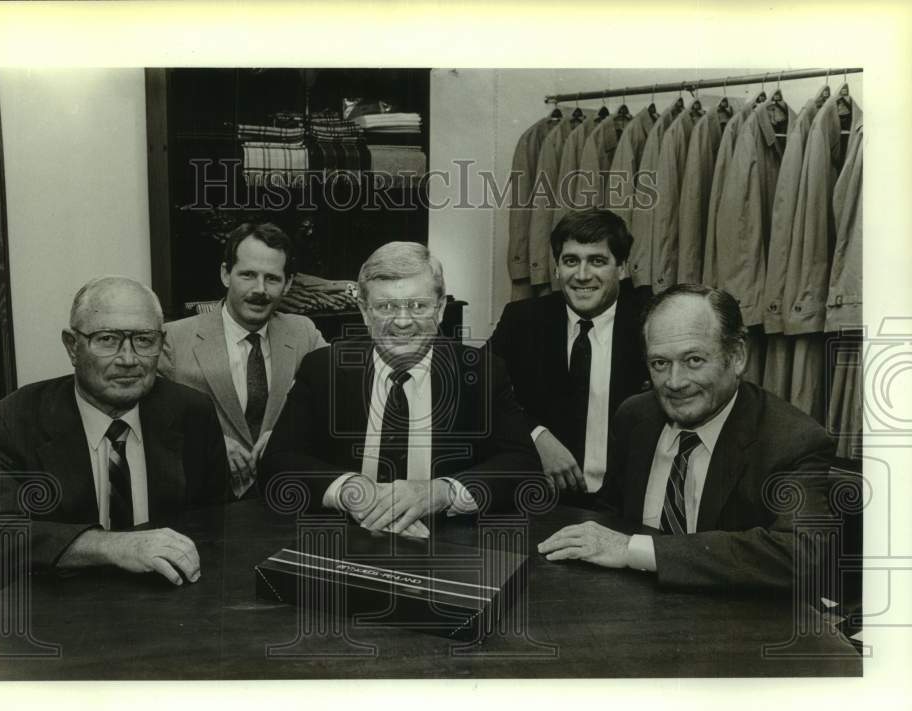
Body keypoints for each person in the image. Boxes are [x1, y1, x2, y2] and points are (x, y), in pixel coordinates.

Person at [538, 284, 835, 590]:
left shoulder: (791, 440)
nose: (675, 382)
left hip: (734, 620)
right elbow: (613, 516)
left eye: (693, 360)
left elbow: (802, 555)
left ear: (737, 356)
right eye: (660, 364)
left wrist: (637, 551)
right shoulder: (635, 417)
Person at [260, 241, 540, 536]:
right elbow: (278, 463)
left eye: (418, 306)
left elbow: (522, 467)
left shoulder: (481, 371)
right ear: (365, 312)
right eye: (385, 307)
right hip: (346, 541)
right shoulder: (324, 369)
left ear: (441, 308)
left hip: (446, 548)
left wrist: (441, 493)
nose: (403, 322)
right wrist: (348, 489)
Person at [0, 277, 229, 587]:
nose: (128, 359)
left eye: (144, 340)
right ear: (72, 346)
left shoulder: (192, 412)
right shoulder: (10, 422)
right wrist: (112, 546)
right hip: (60, 610)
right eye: (107, 339)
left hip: (168, 604)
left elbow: (219, 527)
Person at [489, 208, 648, 504]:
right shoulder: (522, 320)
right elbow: (478, 395)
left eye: (597, 261)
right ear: (557, 268)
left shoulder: (650, 324)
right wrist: (536, 435)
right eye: (571, 261)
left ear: (623, 268)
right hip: (539, 501)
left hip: (628, 505)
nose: (582, 275)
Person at [160, 221, 326, 497]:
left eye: (272, 278)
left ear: (289, 284)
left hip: (283, 499)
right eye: (248, 275)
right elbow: (149, 417)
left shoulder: (303, 333)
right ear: (226, 274)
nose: (260, 289)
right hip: (203, 501)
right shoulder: (174, 339)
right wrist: (206, 440)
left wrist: (287, 435)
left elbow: (331, 403)